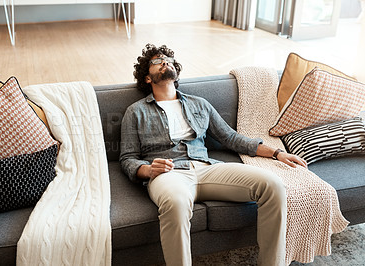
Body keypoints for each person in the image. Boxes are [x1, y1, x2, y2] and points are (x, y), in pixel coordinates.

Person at [120, 43, 307, 266]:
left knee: (273, 185)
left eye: (168, 60)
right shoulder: (135, 111)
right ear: (147, 78)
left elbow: (231, 138)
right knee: (176, 203)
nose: (165, 63)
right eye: (157, 62)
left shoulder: (200, 104)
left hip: (208, 167)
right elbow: (127, 157)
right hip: (169, 174)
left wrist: (276, 153)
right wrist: (149, 170)